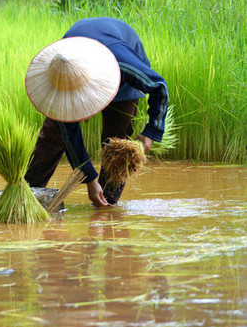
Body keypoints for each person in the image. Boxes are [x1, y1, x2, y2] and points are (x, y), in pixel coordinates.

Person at [23, 17, 168, 207]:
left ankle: (106, 205)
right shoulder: (61, 66)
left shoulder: (122, 63)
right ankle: (27, 196)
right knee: (53, 136)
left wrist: (151, 132)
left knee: (116, 145)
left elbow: (158, 86)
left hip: (120, 81)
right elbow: (70, 133)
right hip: (75, 64)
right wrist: (90, 178)